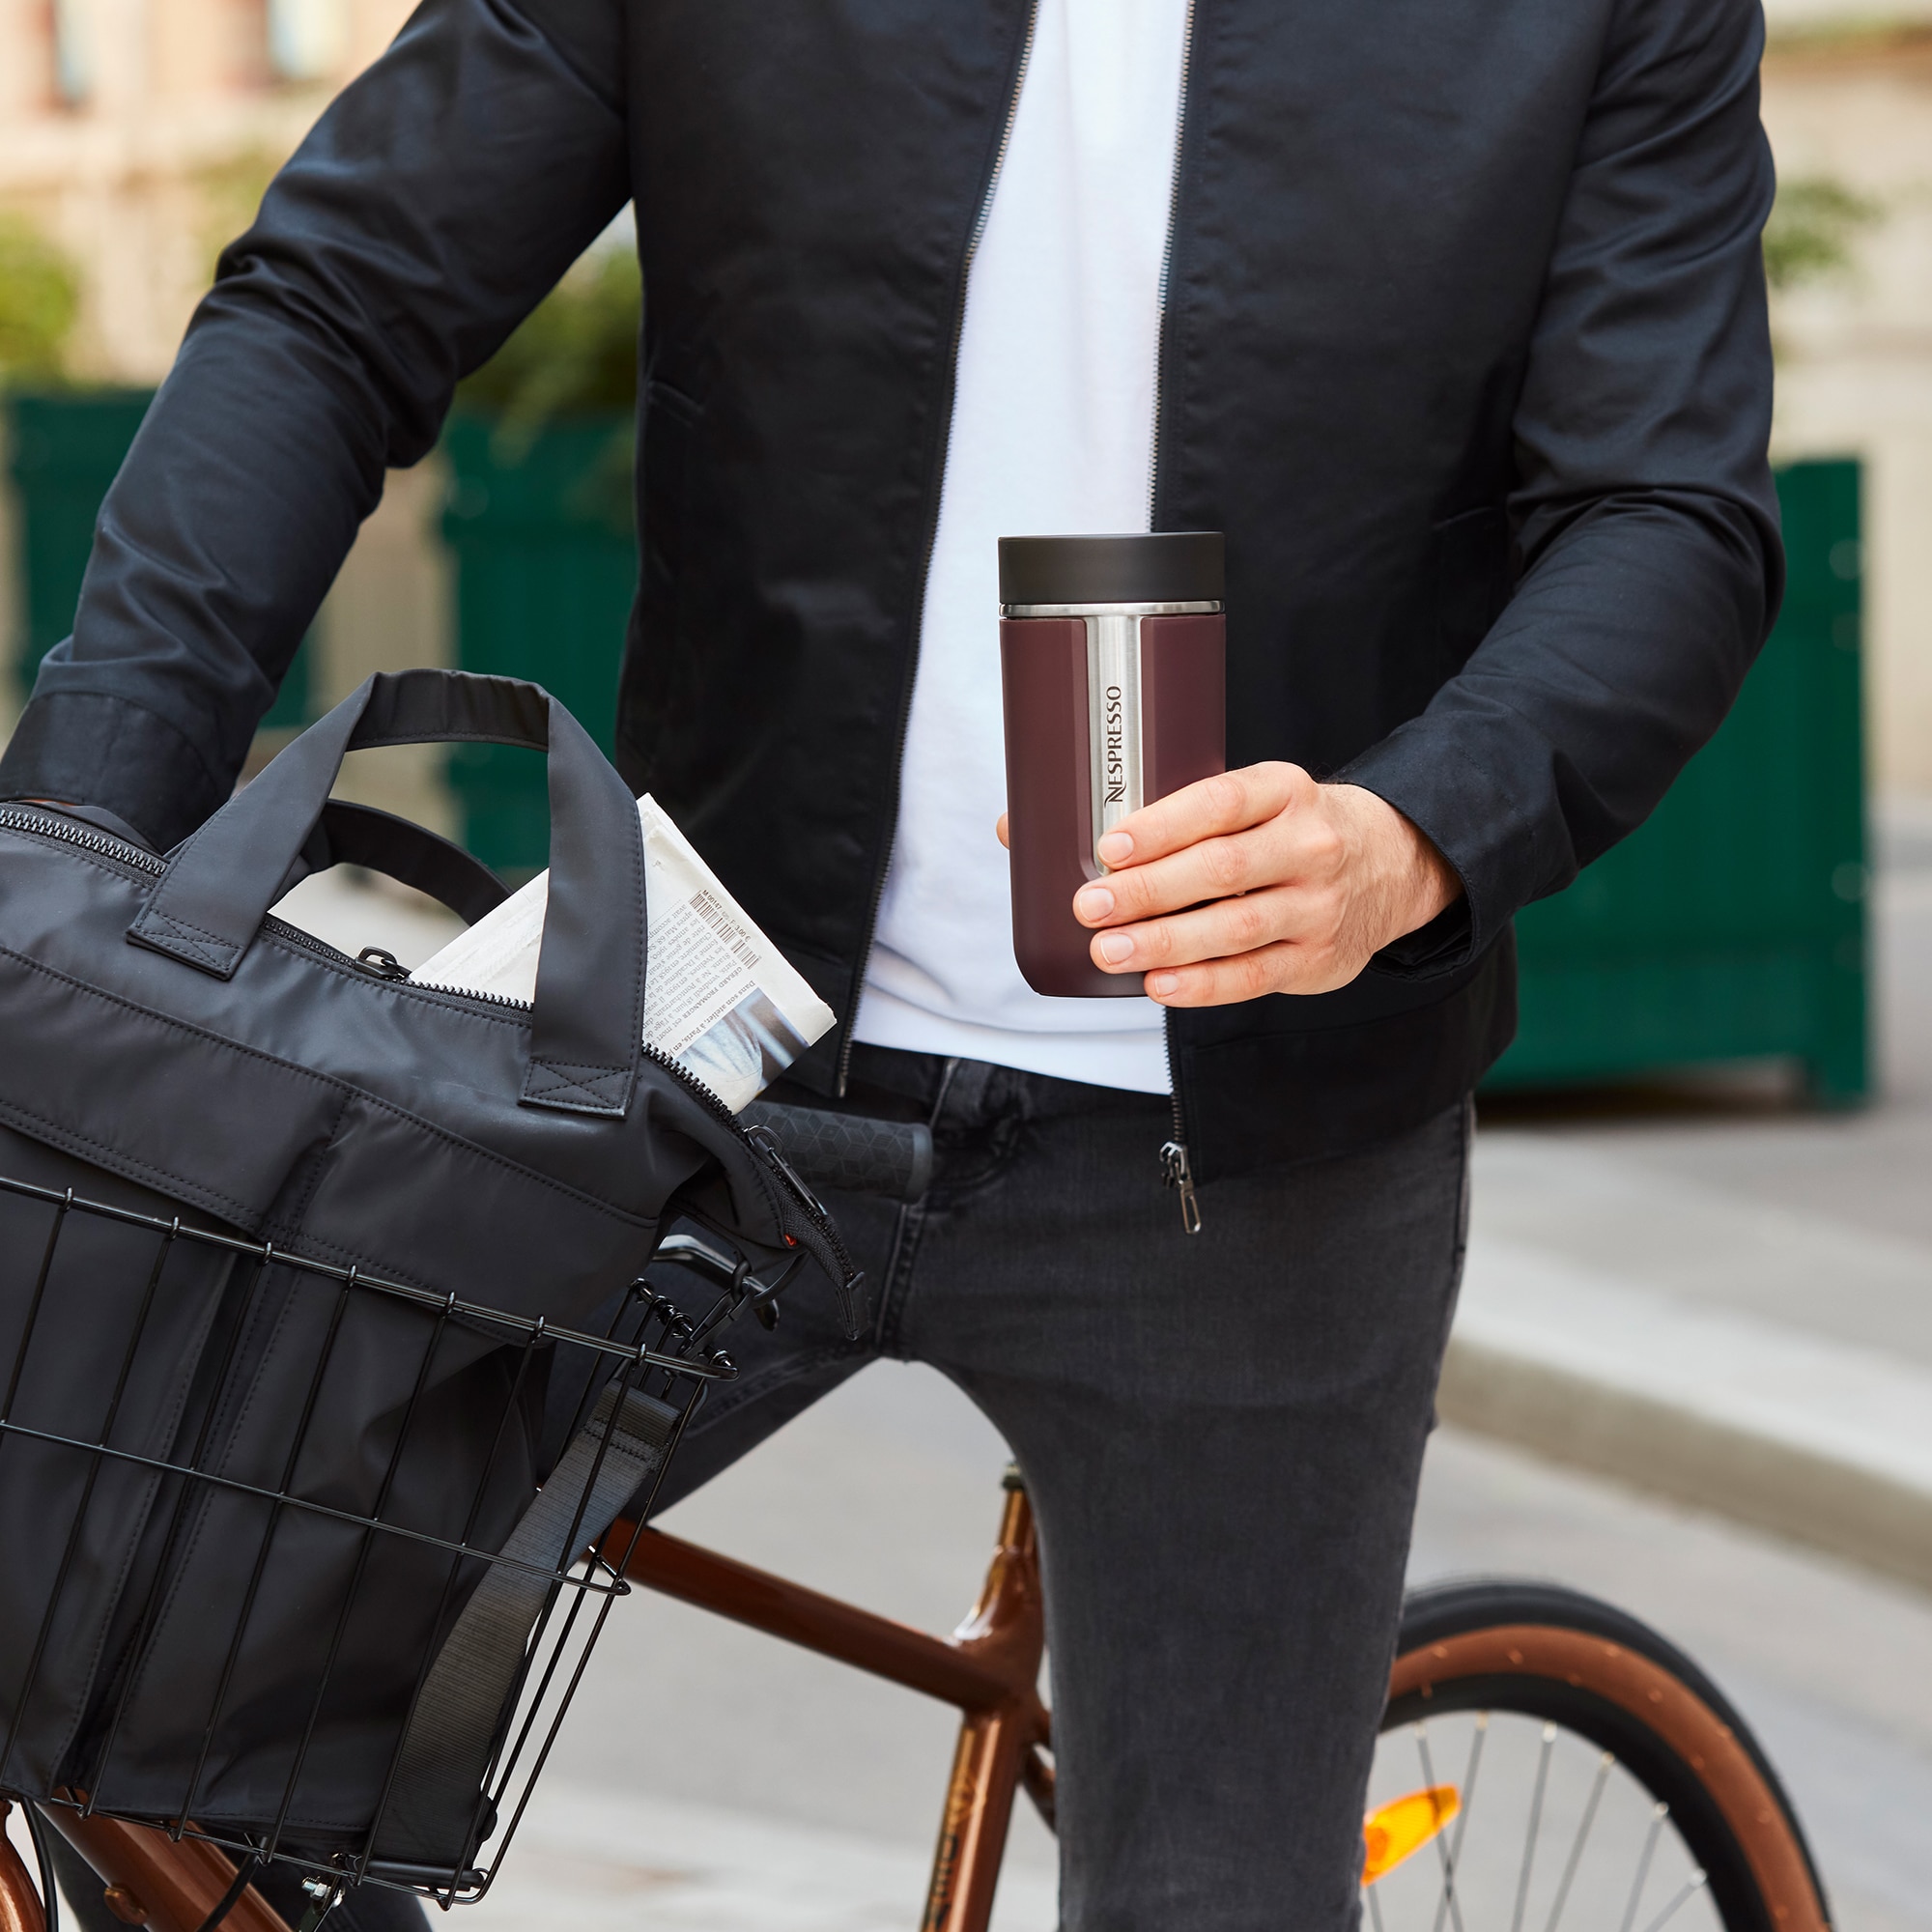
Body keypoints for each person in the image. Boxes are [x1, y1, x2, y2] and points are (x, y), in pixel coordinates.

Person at [0, 0, 1779, 1923]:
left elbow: (1660, 507)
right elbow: (341, 301)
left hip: (1250, 1137)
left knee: (1214, 1888)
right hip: (694, 1053)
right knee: (149, 1655)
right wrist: (68, 852)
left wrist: (1410, 833)